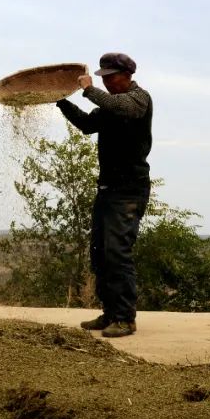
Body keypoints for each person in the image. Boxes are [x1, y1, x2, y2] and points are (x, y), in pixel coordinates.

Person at [56, 53, 152, 338]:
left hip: (129, 191)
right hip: (107, 190)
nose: (106, 81)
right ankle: (110, 312)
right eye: (103, 77)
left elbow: (118, 106)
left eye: (111, 76)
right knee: (100, 253)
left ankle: (125, 318)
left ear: (127, 75)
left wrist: (88, 89)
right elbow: (87, 125)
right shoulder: (109, 105)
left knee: (117, 253)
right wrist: (62, 102)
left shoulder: (138, 99)